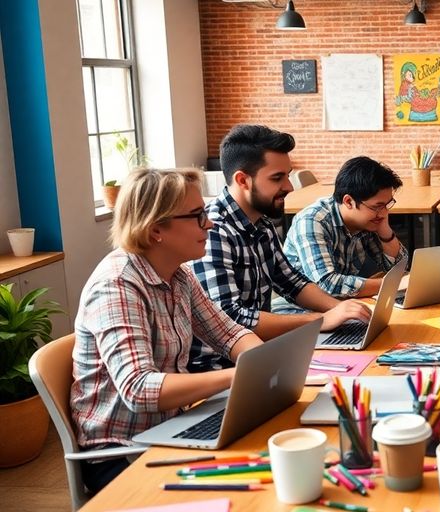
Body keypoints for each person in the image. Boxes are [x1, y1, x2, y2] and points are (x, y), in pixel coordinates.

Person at [71, 168, 266, 493]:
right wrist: (240, 376)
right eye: (197, 215)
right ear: (155, 230)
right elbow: (138, 389)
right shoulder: (117, 285)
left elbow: (229, 334)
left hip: (169, 430)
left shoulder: (179, 275)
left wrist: (262, 360)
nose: (210, 223)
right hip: (120, 454)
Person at [191, 124, 369, 372]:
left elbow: (291, 281)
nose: (289, 186)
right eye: (277, 178)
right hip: (221, 370)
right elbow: (230, 318)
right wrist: (319, 321)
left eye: (288, 175)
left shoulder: (261, 223)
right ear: (243, 180)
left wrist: (338, 309)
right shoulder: (214, 231)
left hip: (261, 355)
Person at [282, 156, 408, 299]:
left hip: (343, 302)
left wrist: (384, 228)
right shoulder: (312, 221)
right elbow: (328, 285)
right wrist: (393, 284)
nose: (385, 212)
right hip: (301, 309)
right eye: (377, 206)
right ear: (349, 201)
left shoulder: (368, 219)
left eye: (387, 205)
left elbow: (398, 268)